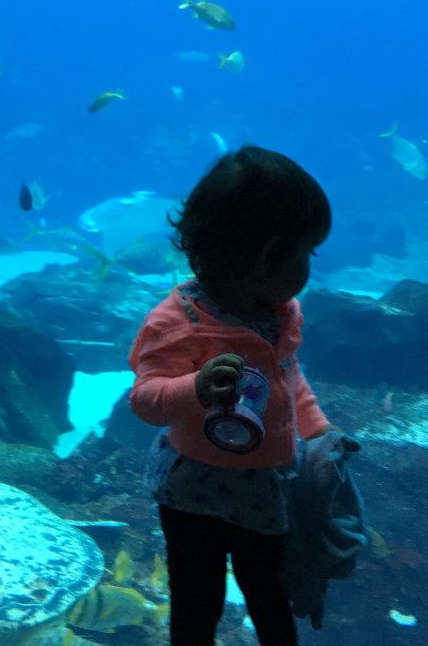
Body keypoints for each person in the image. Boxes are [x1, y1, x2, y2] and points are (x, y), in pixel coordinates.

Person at [129, 145, 338, 646]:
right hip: (191, 493)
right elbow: (146, 398)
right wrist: (196, 388)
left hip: (263, 487)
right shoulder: (179, 322)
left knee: (270, 592)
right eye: (305, 252)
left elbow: (289, 378)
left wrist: (319, 429)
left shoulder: (280, 312)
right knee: (196, 601)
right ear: (267, 253)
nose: (309, 264)